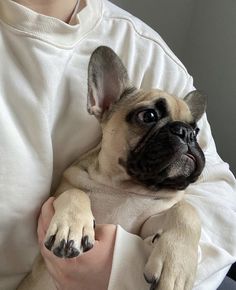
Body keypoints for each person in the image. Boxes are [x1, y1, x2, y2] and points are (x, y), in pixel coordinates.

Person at [0, 0, 235, 290]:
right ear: (103, 103)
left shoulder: (148, 50)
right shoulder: (80, 182)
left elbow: (220, 196)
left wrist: (124, 269)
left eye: (190, 130)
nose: (183, 137)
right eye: (148, 117)